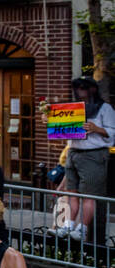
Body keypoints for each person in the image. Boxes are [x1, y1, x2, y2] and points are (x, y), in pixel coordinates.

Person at [50, 76, 115, 241]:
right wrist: (54, 123)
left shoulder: (104, 108)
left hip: (93, 154)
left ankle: (82, 229)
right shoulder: (73, 108)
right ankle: (68, 226)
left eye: (83, 88)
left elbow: (112, 131)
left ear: (92, 89)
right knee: (72, 192)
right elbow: (64, 129)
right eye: (77, 88)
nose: (80, 91)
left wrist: (96, 129)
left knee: (89, 194)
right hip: (74, 152)